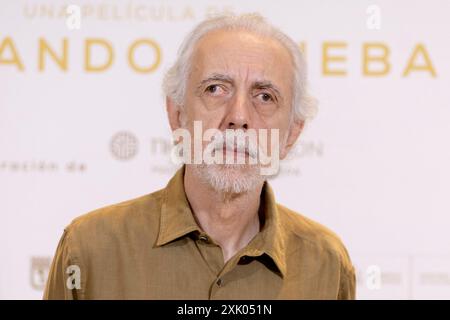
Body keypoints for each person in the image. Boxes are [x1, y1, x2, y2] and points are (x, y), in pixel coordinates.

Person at [44, 13, 355, 300]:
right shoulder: (89, 249)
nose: (238, 116)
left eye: (264, 96)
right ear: (177, 114)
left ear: (291, 135)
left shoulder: (327, 264)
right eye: (216, 89)